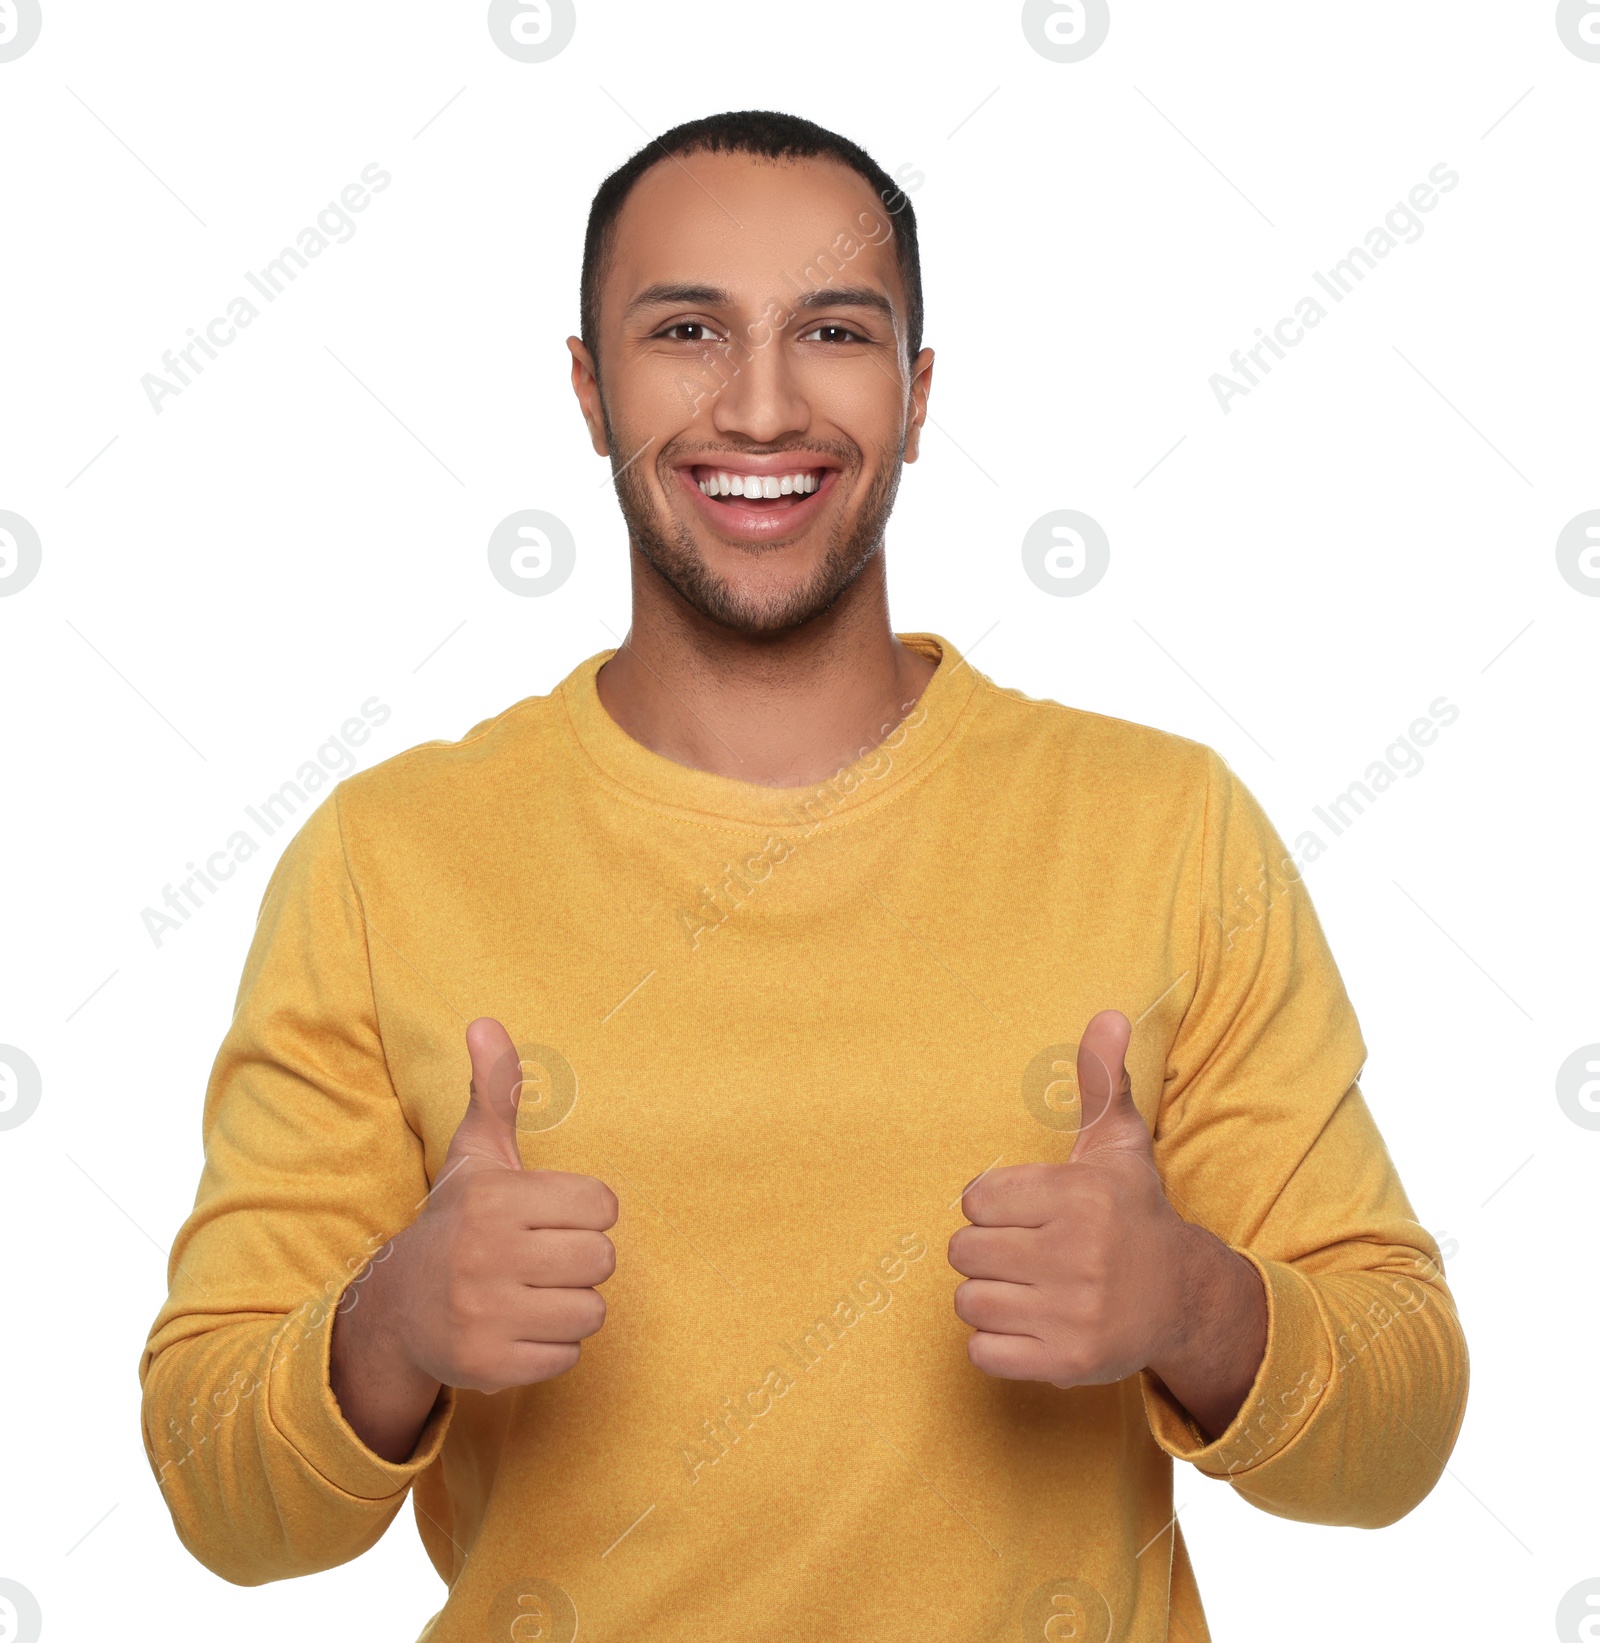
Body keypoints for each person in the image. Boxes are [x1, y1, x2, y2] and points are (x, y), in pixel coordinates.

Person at [140, 109, 1468, 1643]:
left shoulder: (1165, 827)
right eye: (686, 330)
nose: (760, 405)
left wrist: (1196, 1308)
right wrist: (386, 1333)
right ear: (587, 388)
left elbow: (1399, 1439)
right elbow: (214, 1500)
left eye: (831, 331)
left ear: (914, 398)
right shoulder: (384, 860)